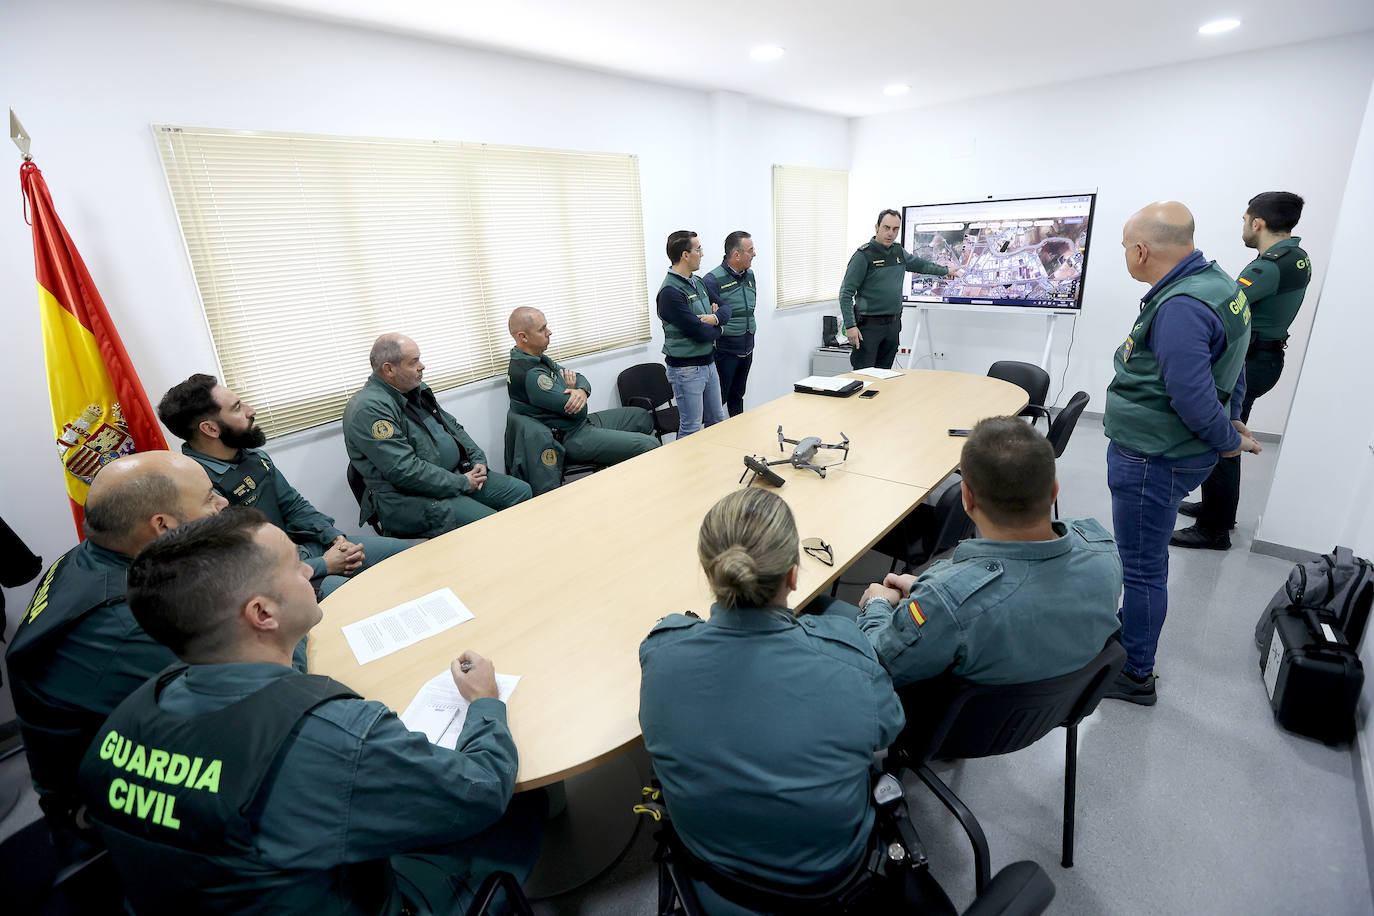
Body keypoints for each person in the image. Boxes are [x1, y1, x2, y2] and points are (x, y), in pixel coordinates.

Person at [76, 508, 542, 914]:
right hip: (357, 899)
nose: (310, 572)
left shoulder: (129, 714)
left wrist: (288, 641)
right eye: (297, 566)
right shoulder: (335, 735)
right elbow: (480, 790)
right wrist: (484, 701)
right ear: (262, 614)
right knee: (524, 801)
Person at [639, 488, 904, 911]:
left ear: (710, 575)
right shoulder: (848, 659)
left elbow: (665, 636)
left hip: (714, 890)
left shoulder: (661, 658)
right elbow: (889, 727)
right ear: (794, 575)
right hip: (836, 885)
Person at [4, 452, 228, 864]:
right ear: (163, 526)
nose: (223, 505)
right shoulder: (124, 623)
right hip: (112, 811)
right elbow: (239, 703)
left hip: (122, 754)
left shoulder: (89, 558)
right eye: (210, 498)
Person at [1102, 201, 1261, 705]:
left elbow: (1190, 397)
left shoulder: (1179, 308)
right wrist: (1234, 416)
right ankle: (1132, 639)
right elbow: (1236, 361)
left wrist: (1228, 439)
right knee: (1145, 560)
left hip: (1153, 456)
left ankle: (1136, 673)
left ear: (1142, 250)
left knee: (1144, 566)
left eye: (1126, 248)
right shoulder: (1219, 285)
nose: (1125, 255)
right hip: (1171, 451)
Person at [852, 417, 1122, 689]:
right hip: (1044, 713)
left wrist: (877, 604)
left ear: (966, 498)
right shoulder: (1103, 551)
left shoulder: (945, 604)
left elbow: (877, 661)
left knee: (823, 611)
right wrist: (928, 590)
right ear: (1053, 489)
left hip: (948, 726)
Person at [159, 373, 411, 596]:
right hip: (272, 575)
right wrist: (325, 564)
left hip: (306, 548)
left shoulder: (250, 455)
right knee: (352, 596)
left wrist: (334, 538)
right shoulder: (196, 484)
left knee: (405, 553)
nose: (251, 409)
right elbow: (244, 559)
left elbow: (292, 504)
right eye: (237, 408)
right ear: (210, 429)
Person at [1173, 192, 1313, 550]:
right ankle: (1218, 509)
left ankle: (1214, 528)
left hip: (1251, 361)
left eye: (1244, 219)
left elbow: (1225, 305)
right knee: (1228, 428)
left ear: (1258, 223)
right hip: (1268, 358)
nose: (1243, 226)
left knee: (1224, 434)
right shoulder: (1298, 258)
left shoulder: (1267, 266)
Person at [342, 333, 531, 538]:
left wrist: (477, 460)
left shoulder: (414, 389)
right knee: (488, 523)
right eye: (413, 362)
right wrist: (461, 483)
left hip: (454, 475)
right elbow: (405, 471)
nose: (422, 366)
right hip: (409, 497)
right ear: (389, 369)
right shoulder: (369, 409)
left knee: (520, 491)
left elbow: (453, 428)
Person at [506, 307, 658, 465]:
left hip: (578, 424)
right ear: (523, 337)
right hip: (568, 437)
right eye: (542, 329)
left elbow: (578, 377)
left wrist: (581, 391)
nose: (549, 332)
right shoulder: (531, 374)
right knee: (650, 445)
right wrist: (574, 391)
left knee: (642, 417)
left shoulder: (537, 358)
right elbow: (580, 411)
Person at [838, 209, 956, 370]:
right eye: (886, 228)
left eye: (895, 229)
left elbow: (921, 265)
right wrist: (850, 326)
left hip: (892, 327)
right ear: (877, 227)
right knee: (864, 378)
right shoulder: (863, 256)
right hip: (868, 327)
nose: (890, 233)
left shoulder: (898, 252)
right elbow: (845, 293)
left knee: (885, 377)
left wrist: (945, 270)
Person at [656, 230, 731, 437]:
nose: (702, 254)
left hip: (708, 363)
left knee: (717, 421)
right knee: (691, 428)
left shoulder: (698, 282)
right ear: (685, 255)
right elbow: (699, 333)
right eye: (698, 249)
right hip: (686, 370)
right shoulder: (670, 293)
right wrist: (720, 327)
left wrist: (715, 319)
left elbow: (726, 309)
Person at [701, 231, 758, 417]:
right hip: (725, 350)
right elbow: (710, 316)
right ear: (736, 255)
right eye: (751, 250)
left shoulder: (749, 274)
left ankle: (739, 438)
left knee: (738, 396)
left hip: (748, 345)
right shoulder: (712, 280)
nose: (754, 254)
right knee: (719, 399)